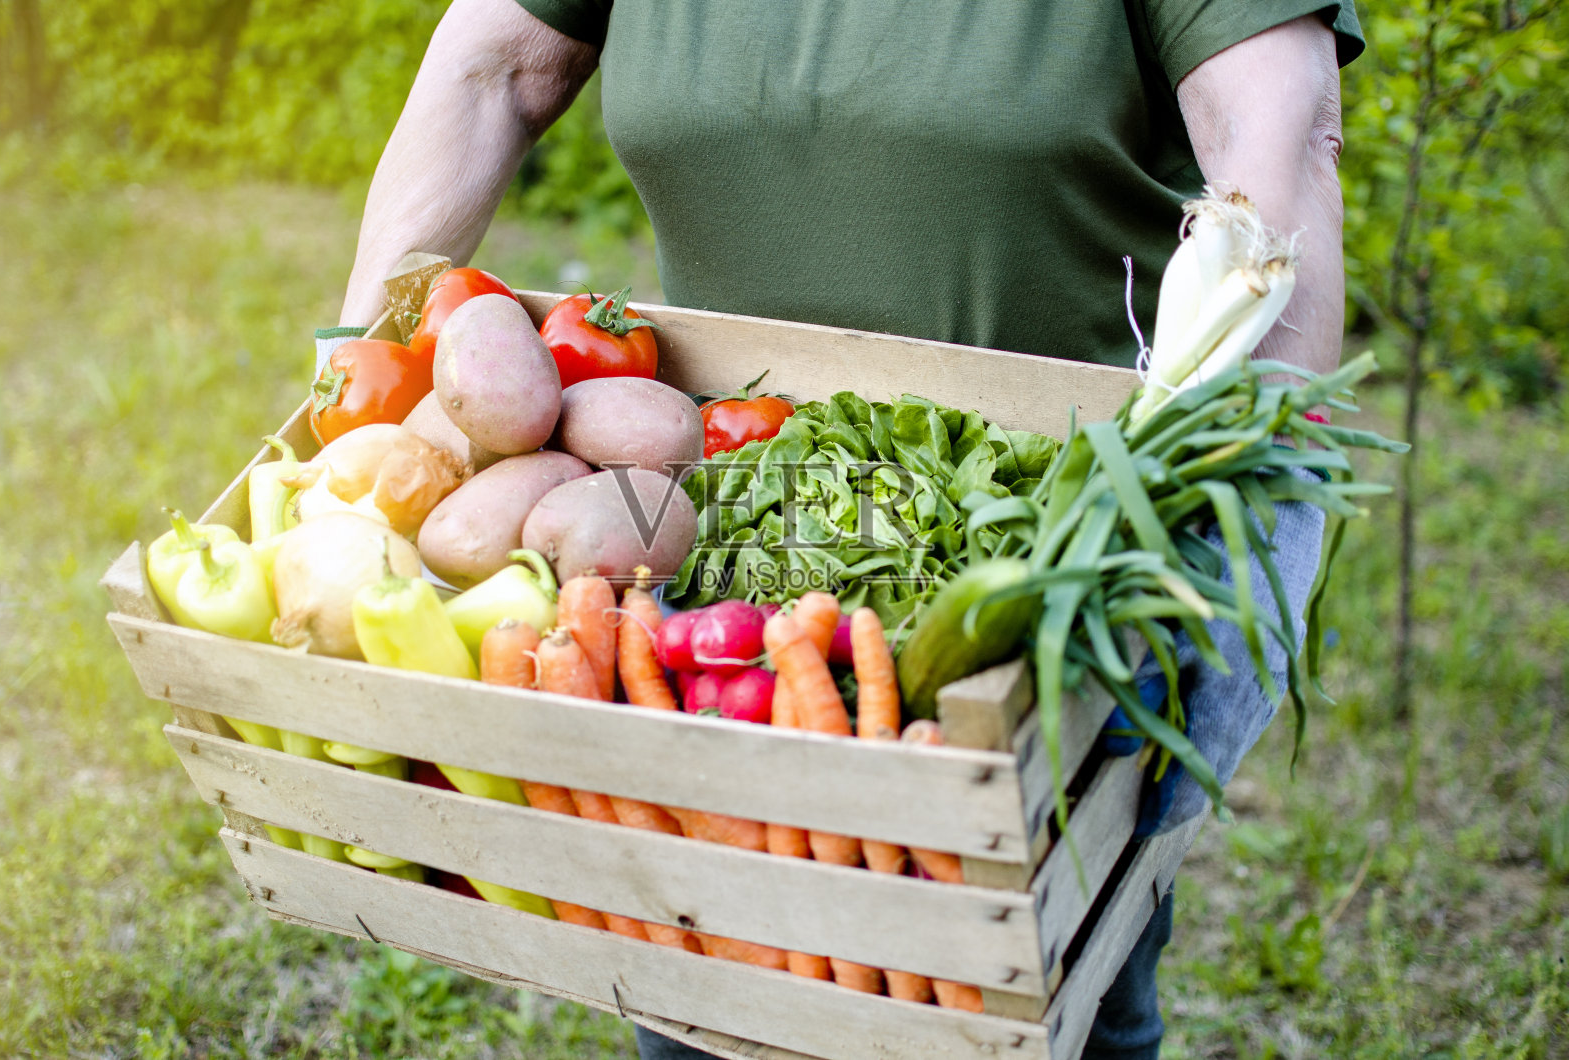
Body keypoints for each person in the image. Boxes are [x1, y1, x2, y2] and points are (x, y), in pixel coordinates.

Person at [322, 3, 1363, 1057]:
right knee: (715, 993)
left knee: (1030, 996)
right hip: (715, 522)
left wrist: (1246, 497)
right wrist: (347, 390)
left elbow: (1277, 141)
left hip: (1043, 559)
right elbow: (493, 68)